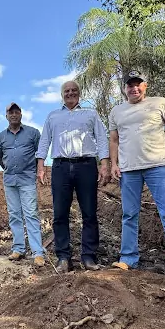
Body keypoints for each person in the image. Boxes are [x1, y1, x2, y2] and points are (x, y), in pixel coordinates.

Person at [109, 71, 165, 279]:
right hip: (129, 170)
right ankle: (127, 259)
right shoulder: (117, 111)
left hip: (158, 166)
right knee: (129, 215)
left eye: (137, 84)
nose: (134, 88)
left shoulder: (160, 103)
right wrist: (113, 164)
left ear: (145, 85)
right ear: (124, 88)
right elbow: (114, 139)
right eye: (129, 85)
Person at [37, 81, 110, 273]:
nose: (70, 93)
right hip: (60, 167)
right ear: (62, 95)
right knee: (60, 214)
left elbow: (102, 138)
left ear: (79, 93)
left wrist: (104, 164)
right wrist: (41, 166)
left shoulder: (91, 114)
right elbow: (45, 140)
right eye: (67, 91)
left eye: (74, 91)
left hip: (86, 165)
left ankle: (89, 257)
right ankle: (63, 257)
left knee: (89, 213)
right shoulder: (53, 116)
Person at [0, 103, 46, 267]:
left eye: (17, 112)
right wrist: (8, 168)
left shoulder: (33, 133)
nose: (14, 115)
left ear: (21, 114)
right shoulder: (1, 136)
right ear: (6, 116)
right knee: (14, 214)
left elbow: (40, 153)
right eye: (11, 112)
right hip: (10, 180)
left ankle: (37, 252)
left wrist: (39, 170)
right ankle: (18, 248)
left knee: (31, 213)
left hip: (27, 179)